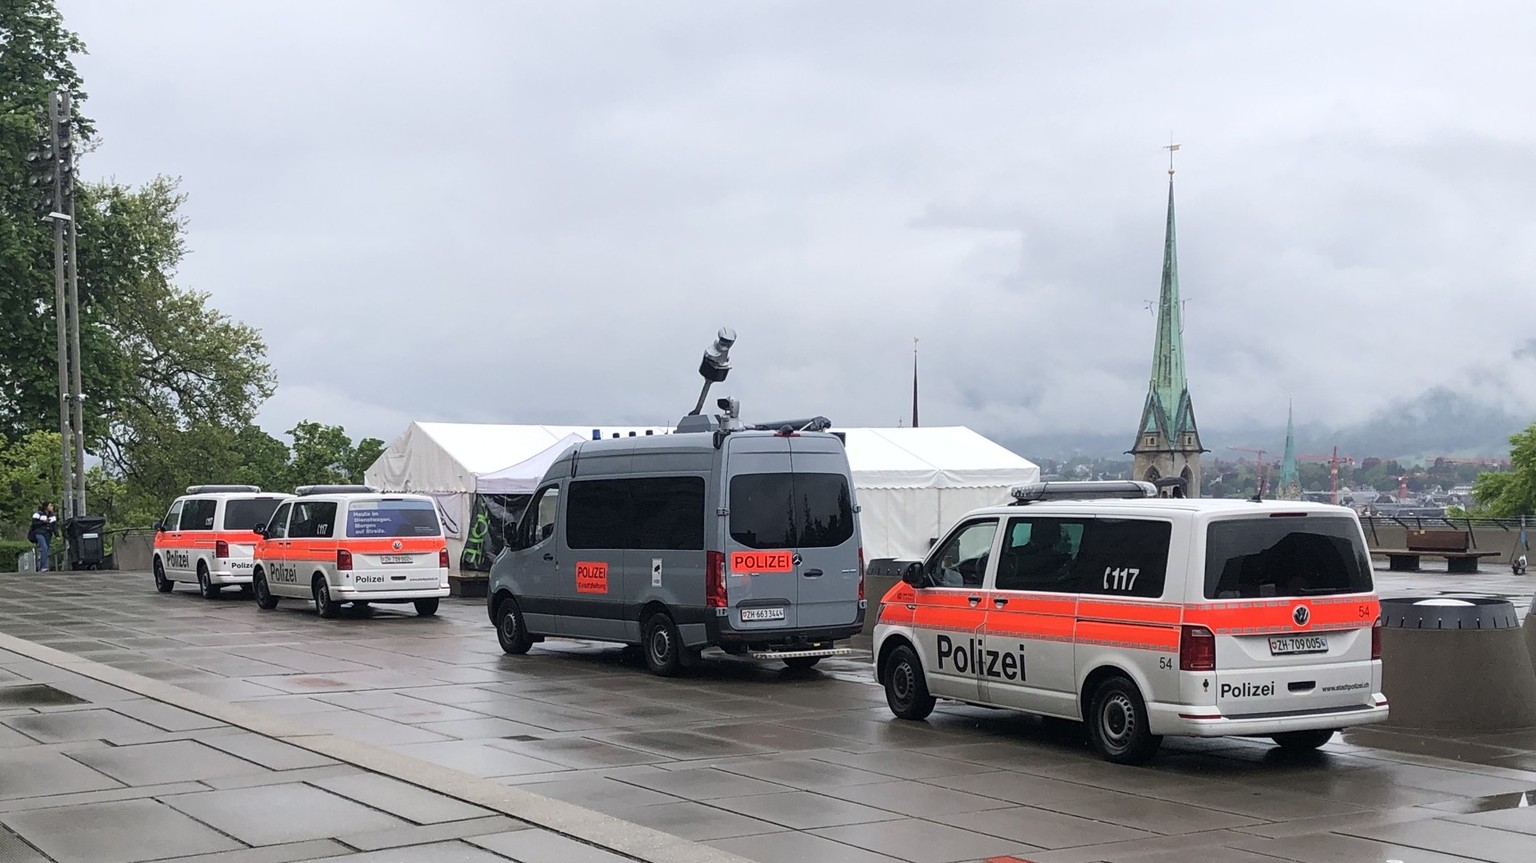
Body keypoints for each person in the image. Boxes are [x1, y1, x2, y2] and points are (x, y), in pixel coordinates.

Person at [29, 501, 58, 572]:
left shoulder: (52, 515)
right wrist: (43, 522)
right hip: (39, 532)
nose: (52, 507)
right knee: (44, 547)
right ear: (46, 507)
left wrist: (56, 534)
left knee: (46, 549)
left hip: (48, 533)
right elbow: (34, 523)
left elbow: (54, 526)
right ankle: (43, 566)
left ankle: (43, 565)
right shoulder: (38, 514)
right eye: (50, 506)